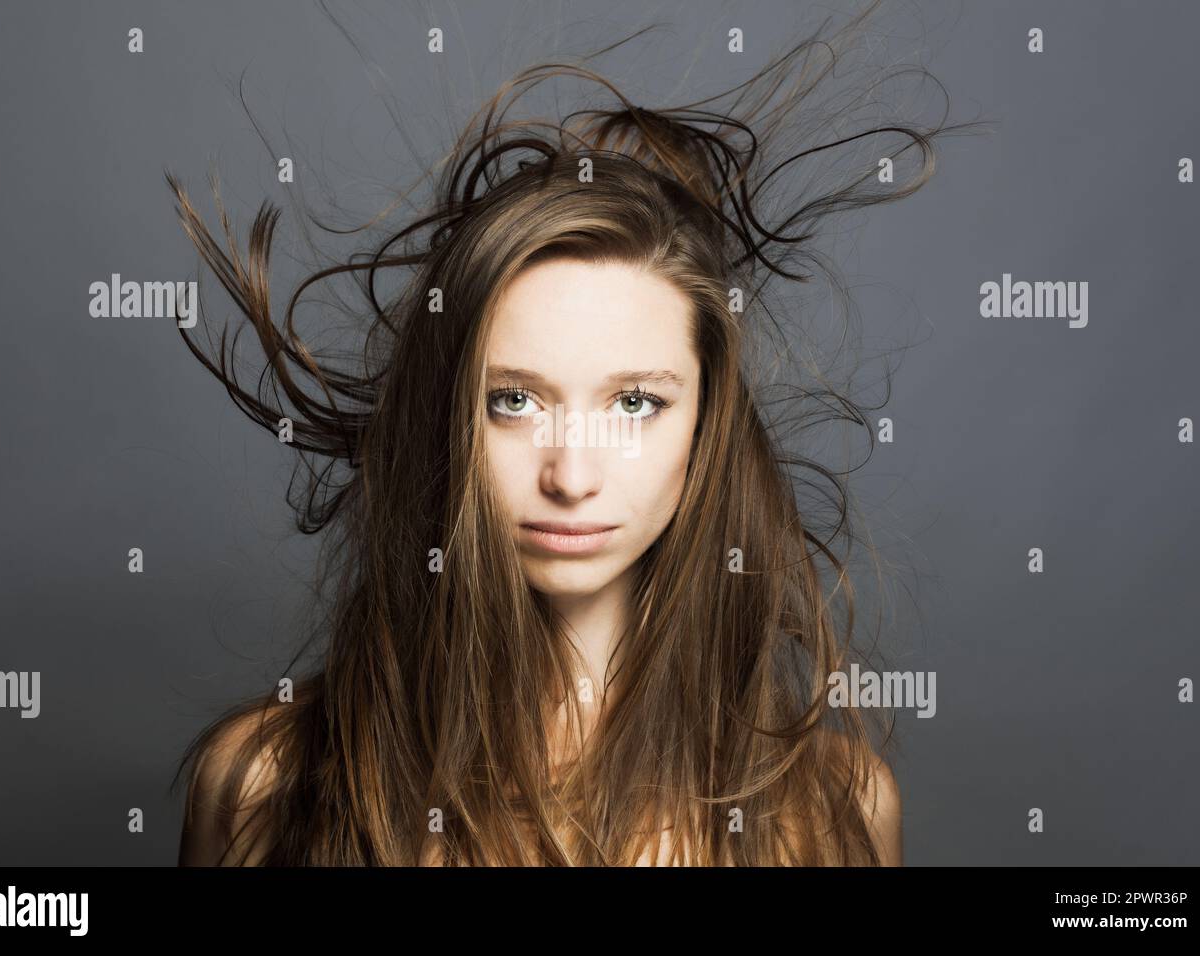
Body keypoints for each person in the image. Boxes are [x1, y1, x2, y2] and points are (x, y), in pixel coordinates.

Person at [170, 6, 963, 866]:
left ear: (708, 429)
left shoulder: (831, 812)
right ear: (445, 419)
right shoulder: (266, 783)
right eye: (513, 401)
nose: (572, 474)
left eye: (636, 405)